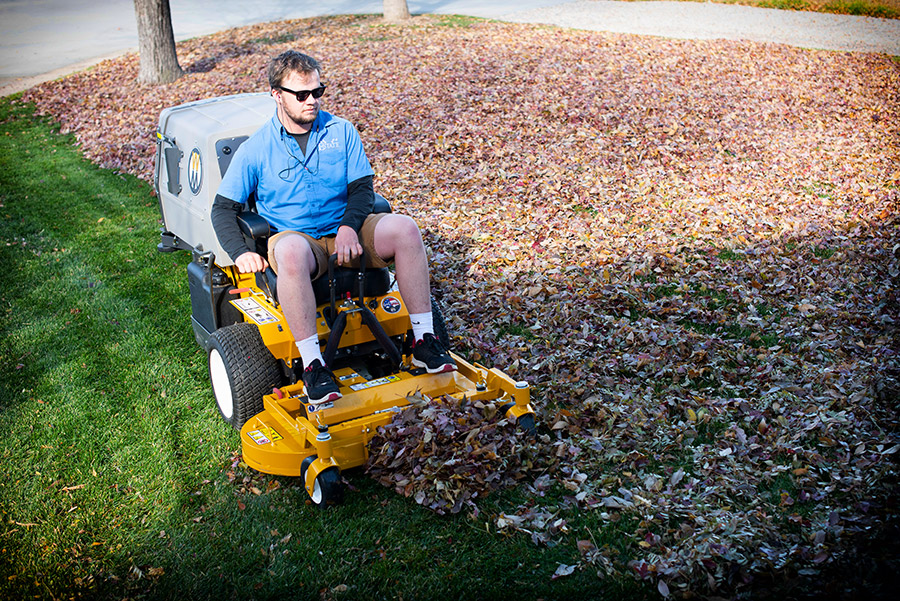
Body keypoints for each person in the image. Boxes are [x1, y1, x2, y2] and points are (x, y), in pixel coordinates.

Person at [211, 50, 455, 405]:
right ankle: (313, 366)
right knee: (291, 251)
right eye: (302, 94)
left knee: (405, 228)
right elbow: (223, 208)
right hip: (298, 239)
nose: (312, 101)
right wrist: (241, 252)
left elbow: (361, 190)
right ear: (277, 95)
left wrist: (348, 228)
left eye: (318, 91)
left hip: (345, 230)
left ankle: (424, 342)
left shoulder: (341, 131)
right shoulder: (256, 149)